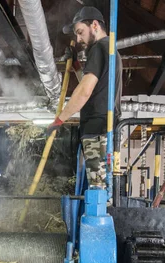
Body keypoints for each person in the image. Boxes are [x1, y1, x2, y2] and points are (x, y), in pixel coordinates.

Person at [46, 6, 122, 190]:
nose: (78, 39)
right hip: (106, 130)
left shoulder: (98, 48)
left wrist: (58, 120)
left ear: (94, 25)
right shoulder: (110, 51)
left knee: (98, 192)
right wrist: (78, 67)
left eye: (80, 32)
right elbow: (92, 88)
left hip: (97, 131)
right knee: (105, 188)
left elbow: (85, 92)